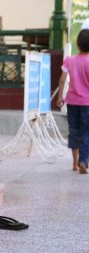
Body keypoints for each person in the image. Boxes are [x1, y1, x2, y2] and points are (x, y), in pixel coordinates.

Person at [57, 29, 89, 174]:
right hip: (87, 104)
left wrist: (59, 97)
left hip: (72, 102)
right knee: (86, 132)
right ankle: (83, 160)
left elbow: (62, 79)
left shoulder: (69, 60)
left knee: (74, 131)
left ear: (78, 44)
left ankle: (75, 163)